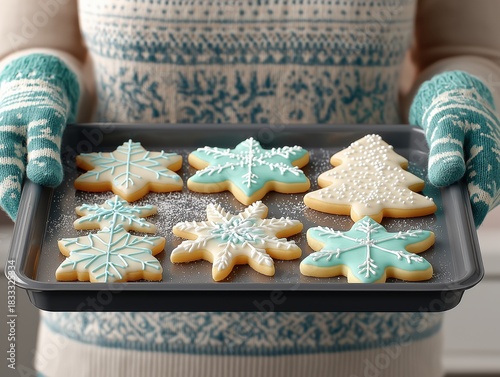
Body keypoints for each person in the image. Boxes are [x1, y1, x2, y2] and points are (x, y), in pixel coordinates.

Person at [1, 0, 499, 376]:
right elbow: (31, 39)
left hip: (373, 347)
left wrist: (462, 94)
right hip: (104, 350)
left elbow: (471, 46)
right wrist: (32, 81)